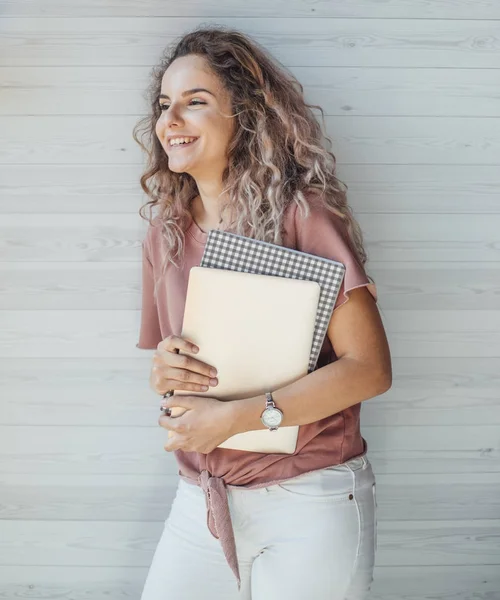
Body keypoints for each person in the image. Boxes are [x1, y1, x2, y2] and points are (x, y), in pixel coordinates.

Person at [134, 26, 392, 600]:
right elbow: (180, 362)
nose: (170, 120)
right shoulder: (165, 232)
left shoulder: (303, 216)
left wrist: (240, 417)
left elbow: (370, 369)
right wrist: (165, 370)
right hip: (203, 493)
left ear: (244, 116)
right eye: (163, 105)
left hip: (310, 498)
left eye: (194, 102)